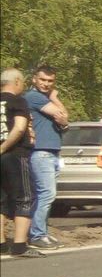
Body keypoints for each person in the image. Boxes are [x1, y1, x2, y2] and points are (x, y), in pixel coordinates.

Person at [24, 65, 68, 250]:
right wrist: (55, 97)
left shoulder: (43, 98)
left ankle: (40, 231)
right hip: (41, 151)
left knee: (44, 195)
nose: (46, 84)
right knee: (47, 194)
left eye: (50, 81)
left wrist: (63, 119)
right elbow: (62, 115)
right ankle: (37, 234)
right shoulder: (33, 96)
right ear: (34, 78)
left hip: (51, 151)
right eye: (43, 80)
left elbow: (64, 120)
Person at [2, 69, 44, 257]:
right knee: (25, 197)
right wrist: (4, 147)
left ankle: (1, 244)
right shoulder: (17, 101)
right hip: (15, 154)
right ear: (17, 81)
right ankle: (20, 246)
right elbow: (19, 128)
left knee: (1, 199)